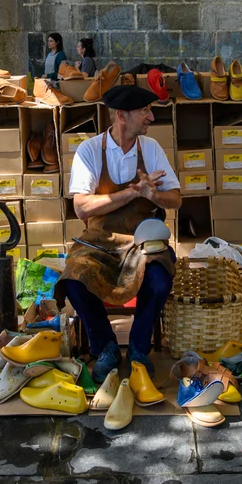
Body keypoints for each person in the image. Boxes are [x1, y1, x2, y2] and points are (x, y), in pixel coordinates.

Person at [57, 84, 182, 383]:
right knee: (73, 279)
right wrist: (132, 193)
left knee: (159, 278)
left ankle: (139, 348)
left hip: (143, 243)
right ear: (122, 116)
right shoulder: (89, 150)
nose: (151, 117)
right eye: (144, 111)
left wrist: (154, 196)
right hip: (99, 242)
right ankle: (106, 347)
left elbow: (176, 199)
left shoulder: (150, 149)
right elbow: (81, 208)